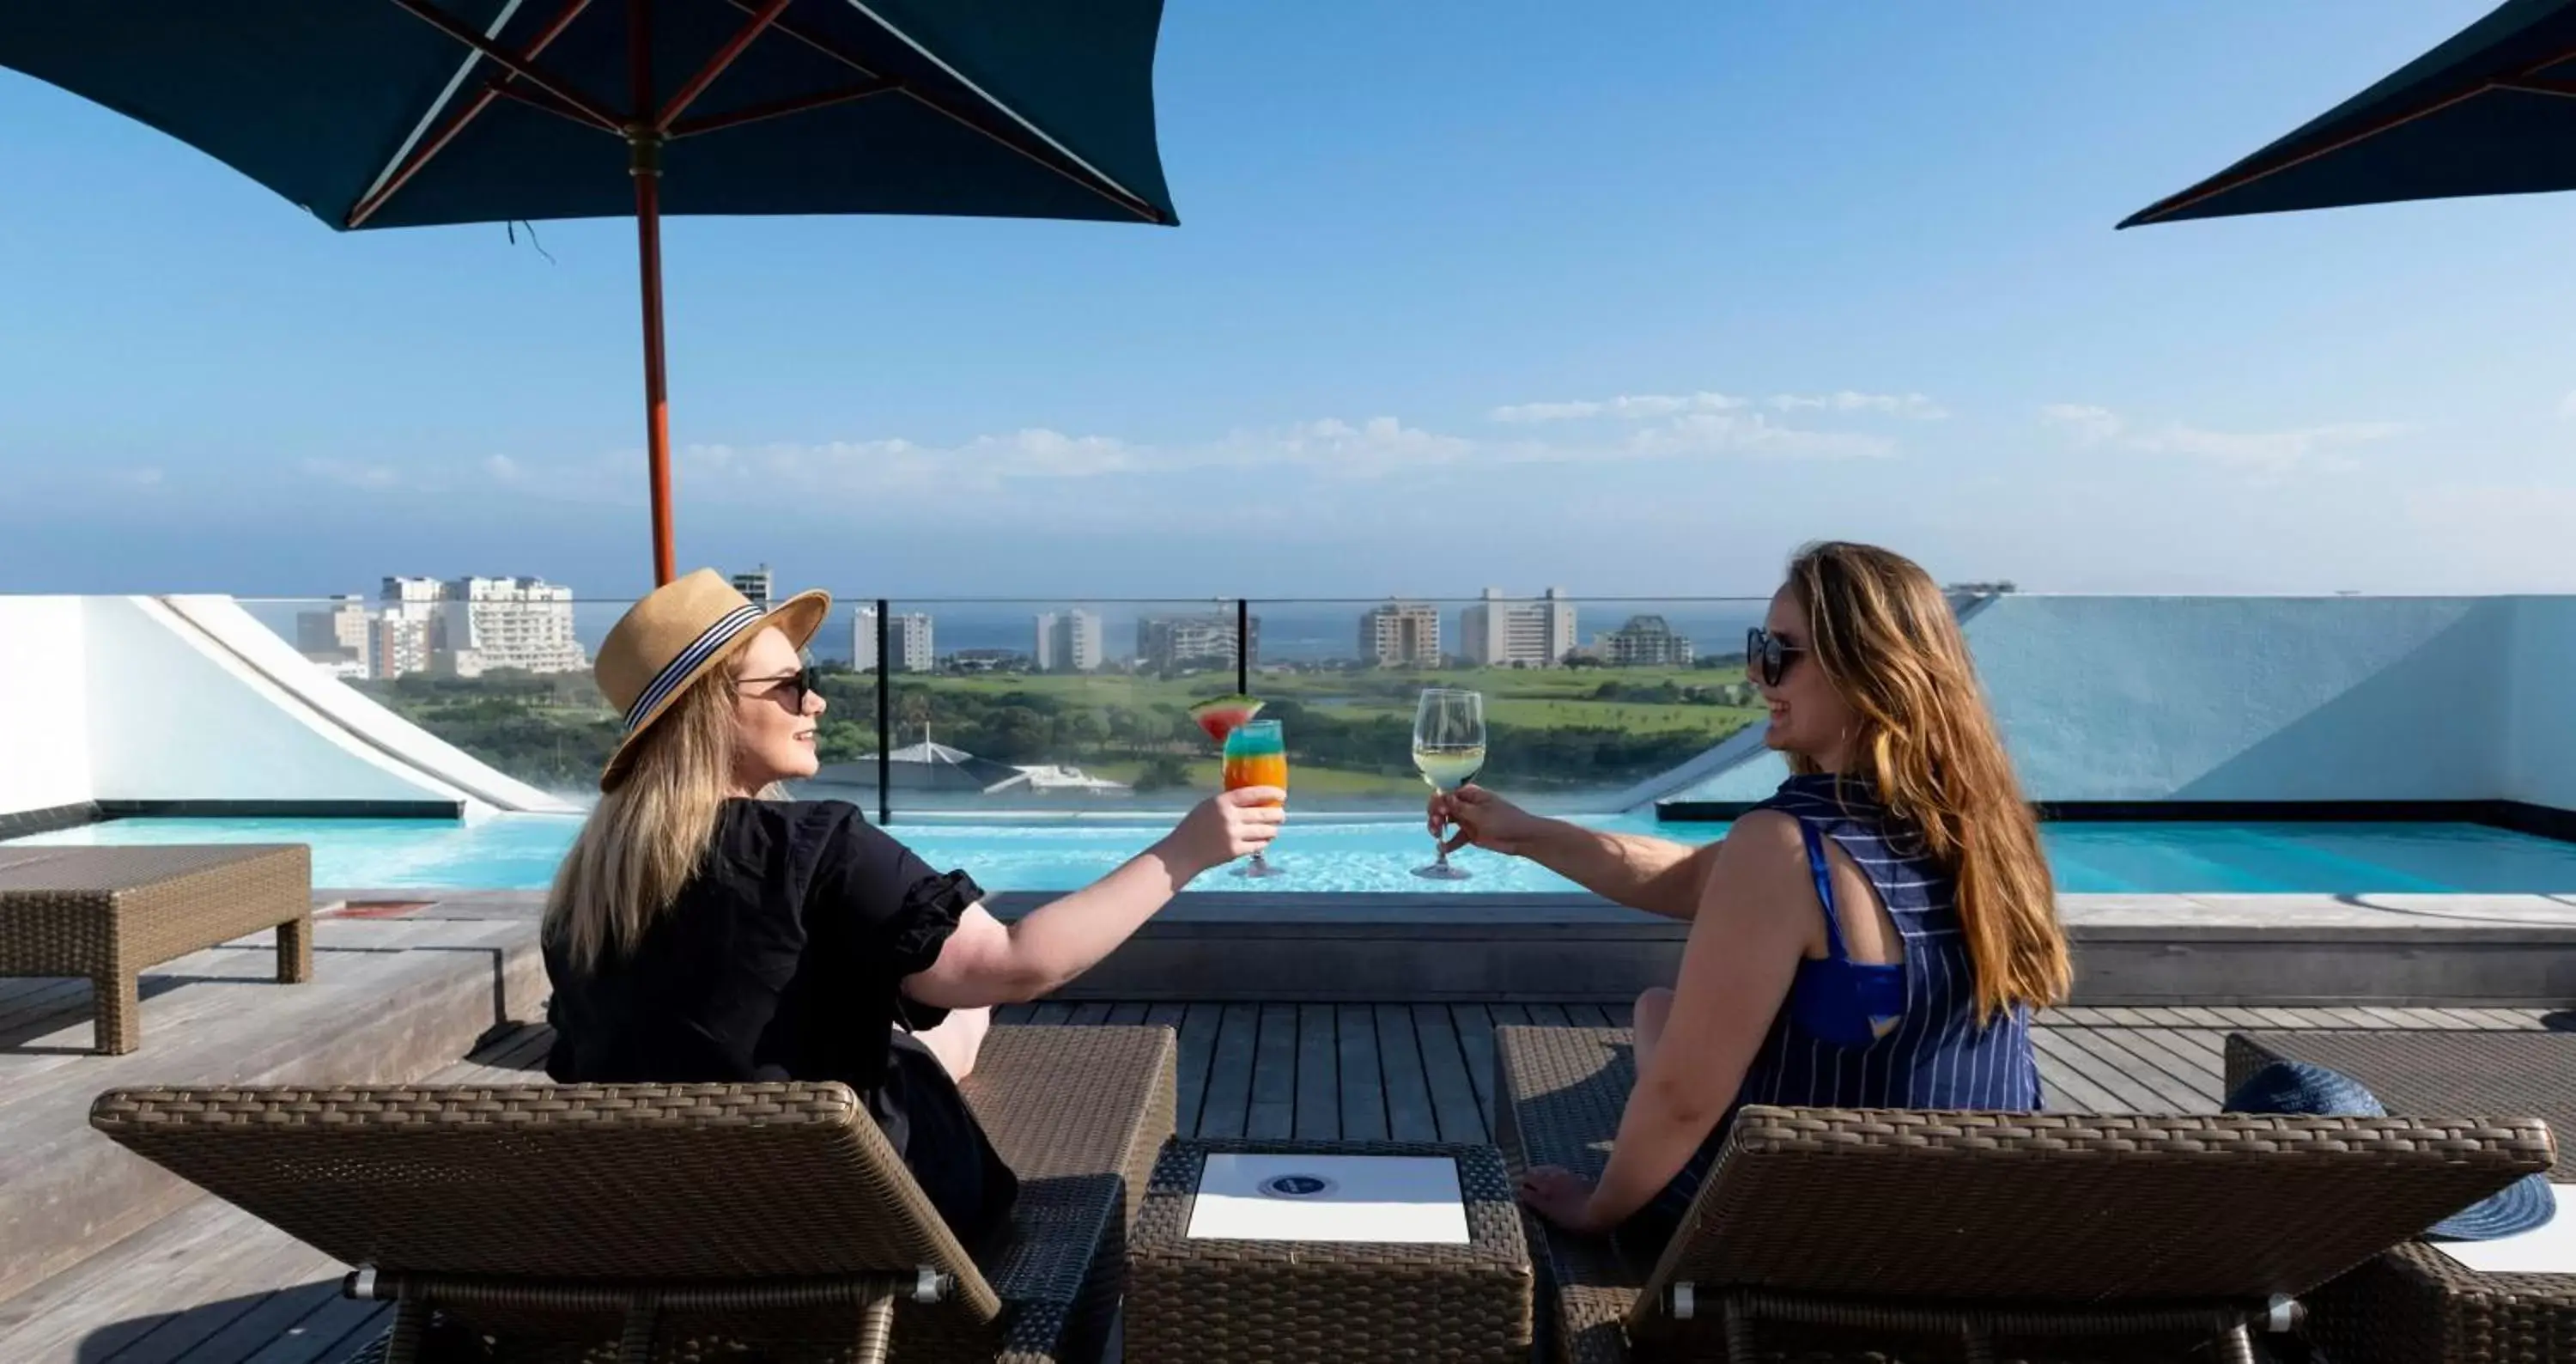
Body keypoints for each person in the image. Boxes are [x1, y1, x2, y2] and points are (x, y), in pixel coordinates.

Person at [542, 570, 1282, 1250]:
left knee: (918, 1018)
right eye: (793, 685)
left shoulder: (585, 891)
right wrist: (1184, 852)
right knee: (958, 1010)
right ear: (713, 710)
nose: (817, 702)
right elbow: (1015, 963)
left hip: (656, 1224)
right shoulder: (815, 846)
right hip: (846, 1220)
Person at [1428, 541, 2071, 1251]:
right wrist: (1525, 832)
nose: (1755, 670)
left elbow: (1683, 1101)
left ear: (1870, 670)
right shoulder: (1986, 831)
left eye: (1779, 651)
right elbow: (1697, 880)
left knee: (1662, 1031)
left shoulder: (1784, 846)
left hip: (1826, 1233)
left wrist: (1597, 1209)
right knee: (1658, 1012)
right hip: (1995, 1219)